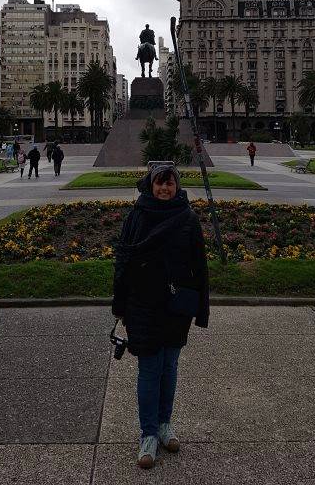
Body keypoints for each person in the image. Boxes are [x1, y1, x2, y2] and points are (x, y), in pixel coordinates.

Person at [112, 164, 209, 470]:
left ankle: (165, 425)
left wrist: (200, 309)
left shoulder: (188, 218)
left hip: (176, 308)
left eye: (170, 184)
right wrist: (120, 306)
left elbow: (200, 267)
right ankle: (149, 435)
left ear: (177, 187)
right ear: (150, 185)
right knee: (151, 369)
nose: (164, 189)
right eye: (159, 184)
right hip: (143, 305)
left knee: (169, 366)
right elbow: (123, 261)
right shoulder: (138, 215)